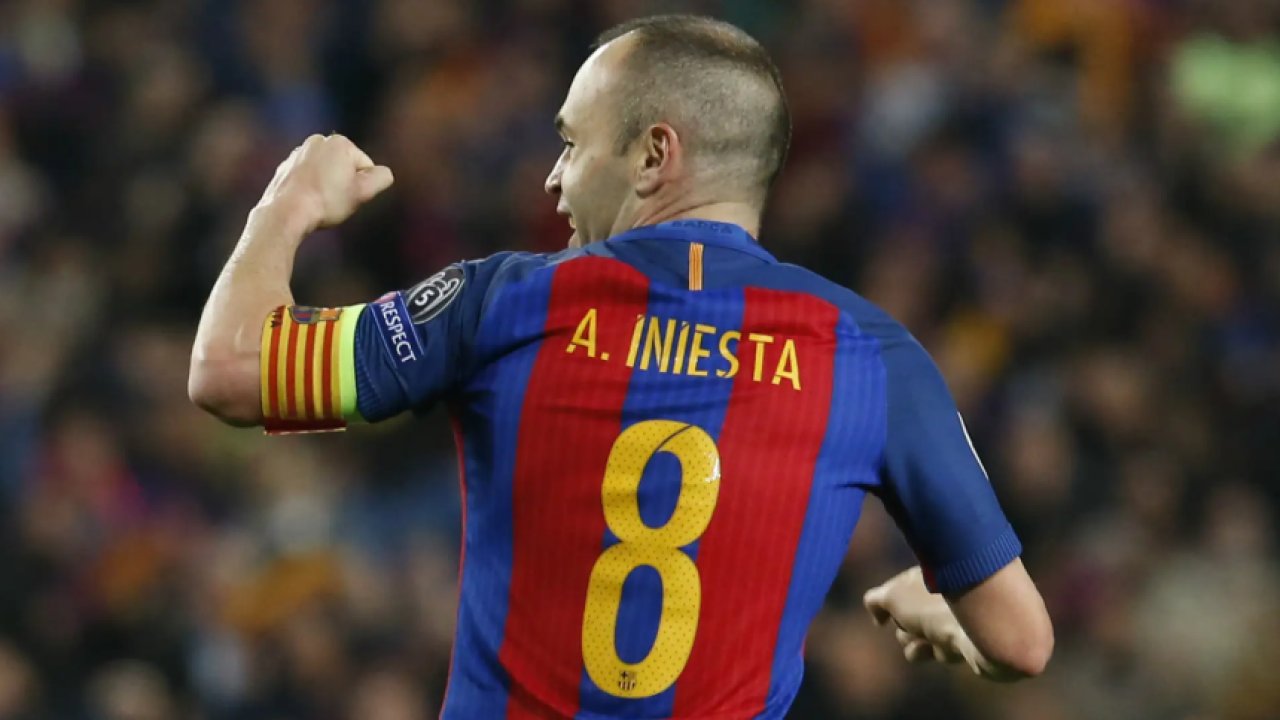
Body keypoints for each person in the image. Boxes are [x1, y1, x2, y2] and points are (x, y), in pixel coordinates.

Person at [189, 14, 1053, 719]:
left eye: (572, 143)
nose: (554, 179)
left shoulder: (505, 304)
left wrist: (288, 201)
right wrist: (951, 621)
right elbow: (1022, 642)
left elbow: (229, 370)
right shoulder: (872, 356)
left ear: (652, 155)